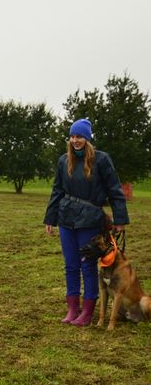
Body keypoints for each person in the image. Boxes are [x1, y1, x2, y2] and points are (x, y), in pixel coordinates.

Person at [44, 118, 129, 326]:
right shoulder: (64, 160)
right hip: (66, 217)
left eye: (79, 136)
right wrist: (50, 217)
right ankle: (73, 308)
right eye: (72, 136)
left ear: (87, 139)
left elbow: (114, 190)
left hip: (90, 219)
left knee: (87, 265)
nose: (75, 140)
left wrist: (120, 219)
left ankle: (88, 312)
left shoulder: (101, 160)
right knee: (70, 265)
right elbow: (57, 190)